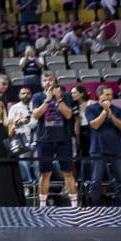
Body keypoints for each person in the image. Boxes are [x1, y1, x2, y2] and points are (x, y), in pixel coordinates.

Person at [31, 74, 80, 207]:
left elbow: (68, 115)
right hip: (44, 140)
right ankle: (42, 205)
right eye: (45, 80)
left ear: (55, 81)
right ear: (41, 83)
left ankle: (74, 205)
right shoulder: (37, 97)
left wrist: (58, 99)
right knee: (45, 173)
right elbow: (36, 115)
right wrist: (47, 100)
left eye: (50, 80)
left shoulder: (66, 96)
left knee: (68, 172)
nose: (48, 82)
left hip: (63, 139)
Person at [85, 86, 121, 206]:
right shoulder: (90, 109)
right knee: (96, 180)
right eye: (107, 94)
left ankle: (120, 206)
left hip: (116, 149)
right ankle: (96, 207)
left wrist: (111, 114)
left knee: (120, 180)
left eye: (111, 94)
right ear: (100, 96)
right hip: (97, 148)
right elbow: (95, 125)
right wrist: (104, 111)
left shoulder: (117, 110)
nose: (110, 97)